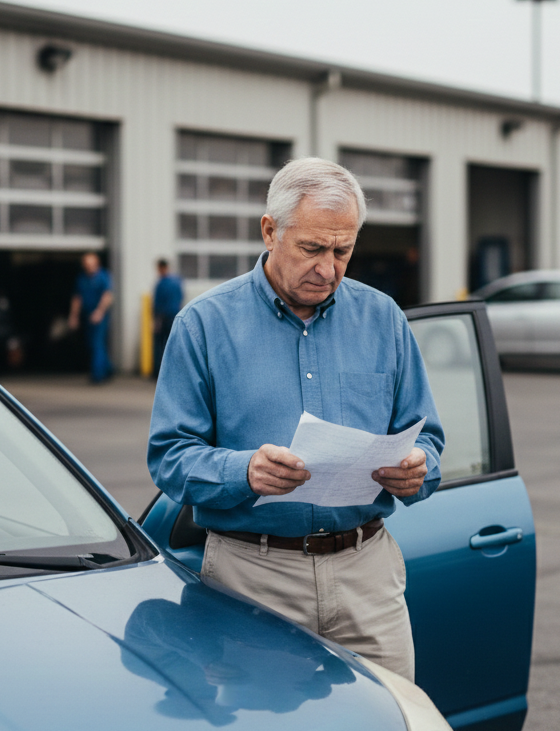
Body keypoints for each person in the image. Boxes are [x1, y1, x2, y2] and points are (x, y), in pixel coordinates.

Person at [147, 158, 444, 681]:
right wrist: (244, 471)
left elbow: (430, 438)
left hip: (366, 575)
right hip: (252, 577)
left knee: (393, 717)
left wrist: (420, 468)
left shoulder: (384, 319)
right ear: (269, 230)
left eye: (343, 251)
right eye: (312, 248)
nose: (328, 269)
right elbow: (170, 456)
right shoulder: (204, 325)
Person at [68, 252, 114, 383]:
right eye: (86, 264)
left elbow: (107, 296)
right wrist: (74, 316)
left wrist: (99, 312)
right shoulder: (82, 279)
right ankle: (108, 368)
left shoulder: (103, 277)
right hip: (87, 316)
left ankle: (97, 375)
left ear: (96, 263)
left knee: (97, 344)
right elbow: (77, 299)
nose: (88, 267)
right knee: (91, 343)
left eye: (91, 264)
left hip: (100, 317)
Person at [151, 258, 183, 379]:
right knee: (172, 345)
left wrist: (155, 321)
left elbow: (157, 305)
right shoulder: (177, 282)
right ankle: (172, 372)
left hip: (163, 318)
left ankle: (158, 372)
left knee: (159, 345)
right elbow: (180, 299)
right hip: (175, 317)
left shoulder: (161, 284)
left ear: (160, 268)